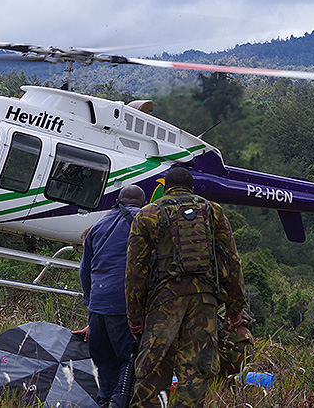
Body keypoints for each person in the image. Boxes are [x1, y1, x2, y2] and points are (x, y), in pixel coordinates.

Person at [125, 167, 245, 407]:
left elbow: (135, 271)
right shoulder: (213, 211)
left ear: (166, 187)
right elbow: (233, 261)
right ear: (192, 189)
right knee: (196, 370)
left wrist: (135, 315)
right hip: (205, 300)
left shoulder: (148, 214)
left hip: (164, 301)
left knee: (153, 368)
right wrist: (235, 307)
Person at [73, 185, 146, 408]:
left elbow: (84, 272)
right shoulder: (144, 221)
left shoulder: (98, 226)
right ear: (141, 203)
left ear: (119, 200)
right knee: (129, 358)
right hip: (124, 306)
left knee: (104, 361)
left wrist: (91, 303)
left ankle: (105, 402)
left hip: (98, 306)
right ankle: (117, 402)